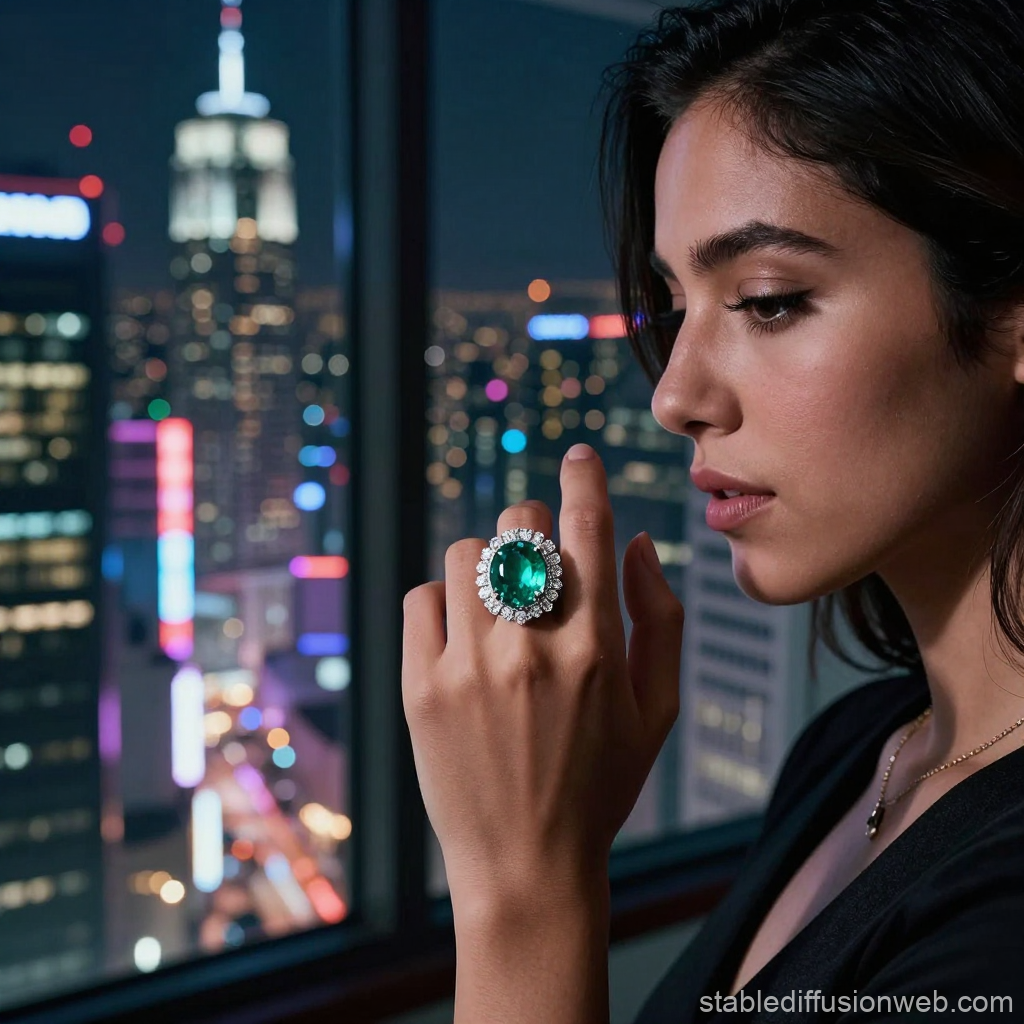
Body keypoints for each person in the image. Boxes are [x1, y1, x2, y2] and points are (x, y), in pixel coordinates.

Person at [401, 0, 1024, 1020]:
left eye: (768, 299)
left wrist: (523, 885)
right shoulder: (858, 747)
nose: (674, 395)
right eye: (677, 306)